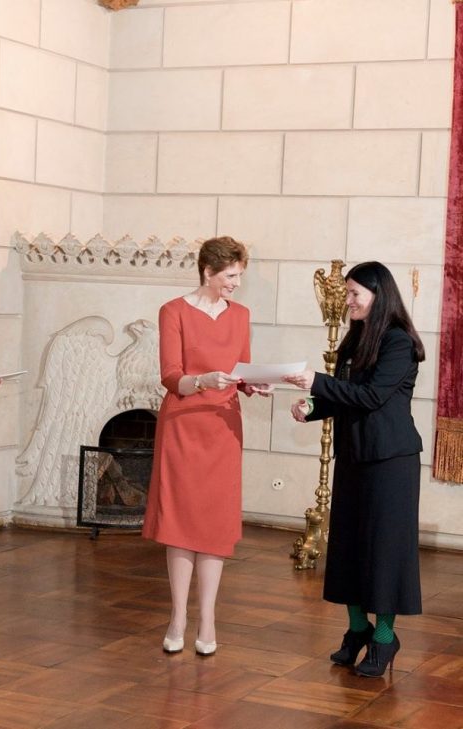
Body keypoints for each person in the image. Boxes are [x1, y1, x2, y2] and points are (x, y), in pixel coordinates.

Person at [284, 261, 425, 678]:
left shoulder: (399, 342)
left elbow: (372, 396)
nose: (346, 301)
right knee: (348, 547)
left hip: (390, 463)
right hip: (354, 456)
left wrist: (314, 381)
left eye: (353, 294)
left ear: (379, 296)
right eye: (346, 293)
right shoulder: (355, 339)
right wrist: (312, 406)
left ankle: (384, 638)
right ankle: (357, 629)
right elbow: (345, 395)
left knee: (383, 554)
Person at [142, 236, 272, 656]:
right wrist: (202, 380)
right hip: (183, 425)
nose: (236, 283)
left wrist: (254, 385)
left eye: (239, 276)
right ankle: (178, 617)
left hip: (223, 429)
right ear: (208, 272)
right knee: (181, 522)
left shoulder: (241, 315)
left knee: (214, 524)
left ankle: (208, 620)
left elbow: (242, 371)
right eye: (230, 275)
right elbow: (170, 376)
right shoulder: (173, 311)